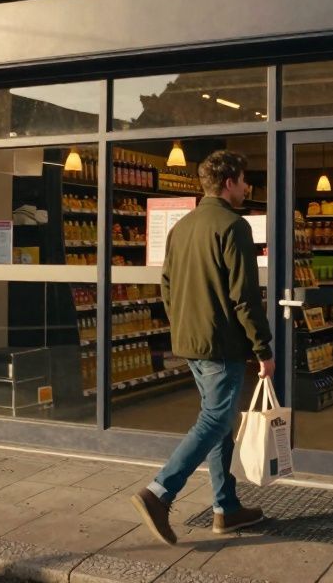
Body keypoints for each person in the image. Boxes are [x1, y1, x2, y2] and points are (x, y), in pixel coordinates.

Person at [131, 150, 275, 545]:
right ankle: (159, 493)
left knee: (219, 424)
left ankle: (226, 508)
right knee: (214, 420)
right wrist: (264, 349)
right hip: (221, 343)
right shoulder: (233, 226)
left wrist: (182, 324)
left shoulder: (183, 227)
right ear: (229, 182)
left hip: (190, 341)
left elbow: (166, 285)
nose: (248, 187)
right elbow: (244, 295)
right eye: (245, 180)